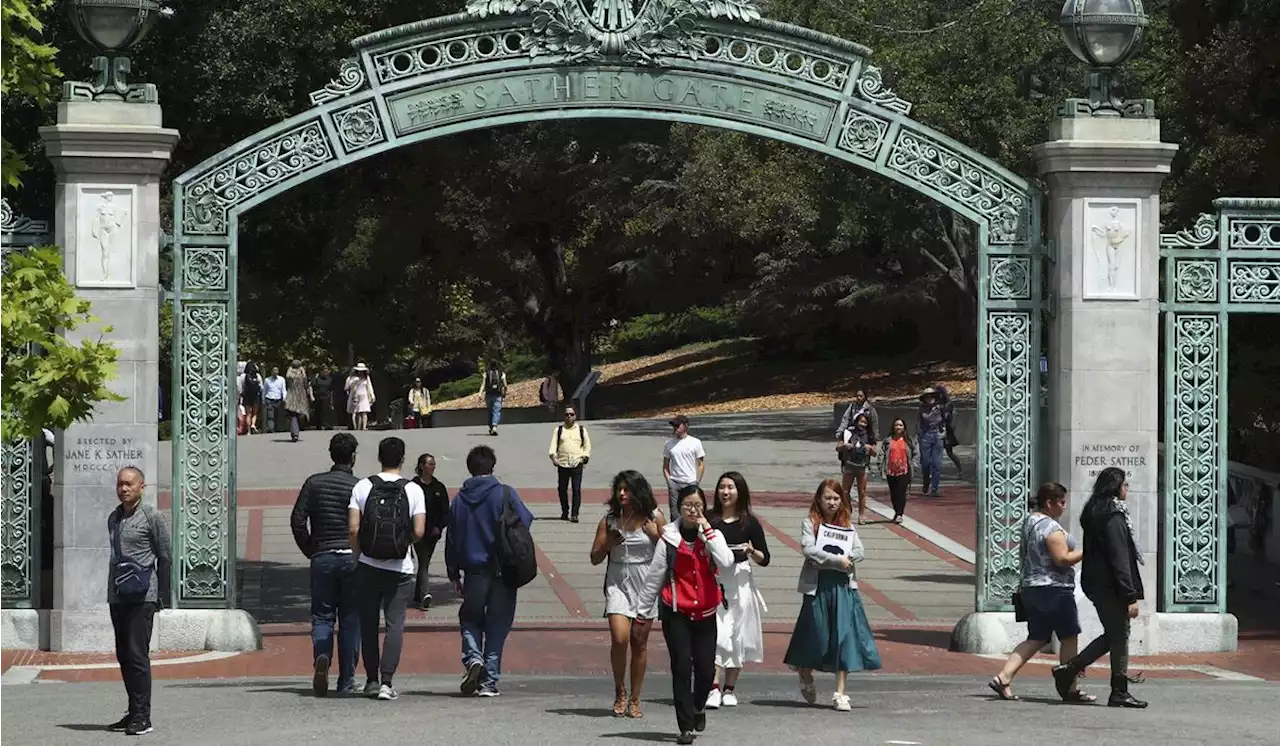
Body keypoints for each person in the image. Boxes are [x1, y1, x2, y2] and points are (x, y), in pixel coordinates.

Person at [634, 485, 734, 745]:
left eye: (698, 505)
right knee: (681, 667)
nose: (693, 510)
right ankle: (685, 726)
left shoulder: (712, 535)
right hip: (676, 612)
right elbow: (655, 576)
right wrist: (642, 614)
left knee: (704, 669)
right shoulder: (668, 538)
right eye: (688, 505)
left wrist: (707, 531)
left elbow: (726, 561)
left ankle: (699, 706)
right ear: (679, 508)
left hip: (706, 613)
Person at [1053, 467, 1148, 708]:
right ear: (1115, 487)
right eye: (1124, 485)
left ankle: (1112, 687)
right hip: (1110, 585)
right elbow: (1119, 558)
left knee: (1117, 634)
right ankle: (1078, 671)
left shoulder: (1095, 510)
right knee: (1119, 634)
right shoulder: (1113, 516)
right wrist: (1129, 595)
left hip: (1097, 582)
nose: (1127, 489)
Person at [782, 479, 881, 712]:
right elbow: (809, 551)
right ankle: (805, 674)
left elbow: (859, 551)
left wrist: (848, 560)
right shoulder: (810, 523)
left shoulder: (847, 525)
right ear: (819, 499)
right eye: (828, 498)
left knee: (843, 636)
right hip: (817, 587)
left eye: (836, 498)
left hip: (843, 588)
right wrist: (837, 560)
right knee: (815, 634)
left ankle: (841, 692)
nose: (832, 502)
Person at [446, 445, 535, 697]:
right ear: (492, 467)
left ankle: (474, 657)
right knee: (498, 623)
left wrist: (453, 572)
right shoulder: (505, 493)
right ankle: (489, 681)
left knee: (470, 618)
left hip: (473, 571)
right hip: (503, 571)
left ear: (470, 468)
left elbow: (451, 538)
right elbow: (525, 522)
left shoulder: (459, 500)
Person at [989, 482, 1090, 702]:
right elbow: (1062, 558)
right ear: (1049, 503)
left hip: (1031, 587)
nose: (1064, 507)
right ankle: (1069, 685)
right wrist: (1087, 551)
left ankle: (1003, 676)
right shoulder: (1050, 528)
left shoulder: (1030, 521)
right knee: (1069, 635)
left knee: (1037, 636)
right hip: (1053, 588)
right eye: (1061, 502)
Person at [347, 437, 426, 701]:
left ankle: (370, 680)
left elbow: (353, 528)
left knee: (368, 624)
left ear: (379, 457)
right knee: (395, 624)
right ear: (403, 459)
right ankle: (386, 683)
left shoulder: (363, 486)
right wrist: (401, 542)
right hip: (400, 568)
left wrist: (359, 554)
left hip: (368, 565)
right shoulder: (414, 490)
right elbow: (419, 531)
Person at [589, 470, 665, 718]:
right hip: (618, 582)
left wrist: (656, 537)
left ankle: (635, 698)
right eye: (619, 489)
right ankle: (619, 690)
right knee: (620, 638)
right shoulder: (609, 520)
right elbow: (594, 558)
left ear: (638, 491)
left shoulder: (654, 517)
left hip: (646, 582)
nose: (622, 493)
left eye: (627, 489)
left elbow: (671, 552)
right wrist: (608, 544)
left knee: (639, 642)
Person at [291, 433, 362, 696]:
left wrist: (310, 548)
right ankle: (346, 680)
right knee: (350, 619)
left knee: (322, 615)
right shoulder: (360, 486)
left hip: (322, 555)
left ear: (331, 454)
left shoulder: (314, 483)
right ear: (353, 456)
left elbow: (298, 520)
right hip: (351, 558)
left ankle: (322, 656)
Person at [105, 467, 171, 736]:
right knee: (123, 656)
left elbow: (164, 555)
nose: (124, 489)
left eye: (129, 484)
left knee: (137, 655)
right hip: (118, 596)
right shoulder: (113, 518)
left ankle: (144, 717)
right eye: (120, 484)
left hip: (144, 596)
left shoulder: (151, 516)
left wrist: (162, 596)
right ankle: (133, 711)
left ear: (141, 487)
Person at [705, 472, 770, 710]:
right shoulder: (710, 519)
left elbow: (765, 558)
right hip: (716, 583)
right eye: (722, 487)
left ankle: (729, 688)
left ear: (739, 491)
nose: (725, 492)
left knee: (736, 637)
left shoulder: (749, 522)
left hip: (741, 584)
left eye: (730, 487)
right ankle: (712, 687)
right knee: (716, 636)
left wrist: (751, 551)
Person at [411, 453, 451, 610]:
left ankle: (417, 594)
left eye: (434, 464)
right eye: (429, 464)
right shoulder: (413, 486)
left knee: (424, 563)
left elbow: (445, 511)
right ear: (421, 466)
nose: (432, 467)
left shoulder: (438, 487)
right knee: (423, 562)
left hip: (433, 534)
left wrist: (439, 527)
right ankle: (425, 595)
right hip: (417, 531)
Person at [549, 404, 592, 522]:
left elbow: (587, 446)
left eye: (571, 414)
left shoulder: (582, 430)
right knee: (562, 489)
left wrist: (584, 457)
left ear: (575, 416)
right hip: (562, 464)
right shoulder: (558, 430)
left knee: (576, 489)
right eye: (566, 414)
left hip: (577, 463)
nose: (569, 417)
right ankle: (564, 511)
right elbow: (553, 446)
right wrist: (554, 458)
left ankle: (574, 514)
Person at [836, 411, 876, 525]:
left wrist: (870, 449)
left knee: (862, 492)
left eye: (865, 422)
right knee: (845, 491)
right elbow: (837, 447)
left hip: (863, 467)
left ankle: (861, 515)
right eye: (861, 421)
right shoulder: (848, 432)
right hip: (849, 465)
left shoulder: (869, 436)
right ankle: (847, 511)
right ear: (856, 421)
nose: (862, 424)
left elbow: (874, 453)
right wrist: (844, 445)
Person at [662, 414, 705, 519]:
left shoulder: (695, 443)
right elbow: (665, 465)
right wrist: (670, 482)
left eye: (677, 425)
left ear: (685, 426)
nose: (675, 428)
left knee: (691, 511)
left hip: (690, 482)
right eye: (674, 426)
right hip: (675, 483)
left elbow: (701, 464)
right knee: (675, 513)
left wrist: (696, 482)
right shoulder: (669, 444)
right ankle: (675, 533)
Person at [878, 418, 917, 524]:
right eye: (896, 425)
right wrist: (880, 465)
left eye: (900, 425)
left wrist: (914, 464)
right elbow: (881, 454)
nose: (898, 427)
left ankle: (899, 514)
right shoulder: (888, 441)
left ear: (904, 428)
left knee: (901, 493)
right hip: (891, 471)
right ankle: (896, 512)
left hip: (904, 471)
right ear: (893, 427)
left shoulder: (908, 441)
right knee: (894, 494)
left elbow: (915, 453)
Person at [917, 388, 945, 497]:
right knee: (925, 463)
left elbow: (947, 420)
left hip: (937, 435)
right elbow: (918, 423)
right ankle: (926, 481)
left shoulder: (940, 408)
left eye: (931, 396)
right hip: (925, 435)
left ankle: (934, 488)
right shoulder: (921, 409)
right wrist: (919, 436)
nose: (929, 398)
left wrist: (945, 432)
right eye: (927, 396)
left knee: (936, 464)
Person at [935, 384, 963, 477]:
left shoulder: (948, 404)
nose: (938, 396)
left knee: (949, 452)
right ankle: (933, 471)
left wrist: (948, 430)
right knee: (935, 451)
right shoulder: (937, 404)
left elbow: (950, 418)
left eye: (940, 394)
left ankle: (960, 470)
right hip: (938, 429)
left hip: (947, 430)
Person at [285, 360, 313, 443]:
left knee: (293, 415)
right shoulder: (302, 374)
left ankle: (295, 433)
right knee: (297, 415)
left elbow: (288, 380)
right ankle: (295, 433)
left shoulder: (290, 374)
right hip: (301, 396)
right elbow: (306, 384)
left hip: (291, 395)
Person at [479, 359, 508, 436]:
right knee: (496, 411)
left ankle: (491, 427)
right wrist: (504, 393)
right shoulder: (501, 373)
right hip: (498, 395)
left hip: (488, 395)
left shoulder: (486, 373)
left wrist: (480, 393)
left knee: (490, 411)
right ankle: (494, 427)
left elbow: (483, 384)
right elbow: (505, 385)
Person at [346, 363, 376, 431]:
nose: (360, 372)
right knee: (357, 412)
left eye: (362, 371)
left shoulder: (366, 378)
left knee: (364, 411)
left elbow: (369, 386)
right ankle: (357, 427)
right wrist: (354, 382)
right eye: (359, 371)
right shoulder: (353, 378)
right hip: (355, 395)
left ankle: (364, 426)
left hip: (364, 395)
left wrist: (372, 395)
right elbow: (349, 386)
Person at [241, 361, 263, 434]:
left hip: (247, 396)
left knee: (248, 413)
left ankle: (248, 431)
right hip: (255, 396)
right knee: (255, 413)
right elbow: (261, 387)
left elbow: (241, 386)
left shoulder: (243, 376)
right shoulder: (257, 375)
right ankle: (253, 425)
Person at [263, 365, 286, 433]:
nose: (275, 372)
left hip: (278, 399)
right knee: (270, 415)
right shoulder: (267, 380)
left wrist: (284, 397)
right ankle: (271, 429)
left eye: (276, 370)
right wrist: (263, 399)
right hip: (269, 399)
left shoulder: (281, 379)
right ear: (271, 372)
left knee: (277, 415)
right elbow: (264, 390)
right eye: (274, 370)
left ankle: (277, 428)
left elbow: (283, 390)